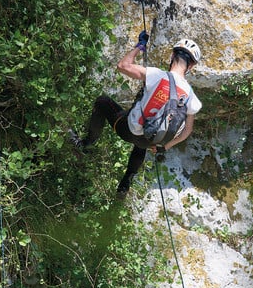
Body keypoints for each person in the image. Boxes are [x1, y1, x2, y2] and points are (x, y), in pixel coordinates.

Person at [69, 32, 202, 197]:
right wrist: (164, 147)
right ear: (191, 66)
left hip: (127, 130)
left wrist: (140, 46)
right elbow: (187, 130)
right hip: (151, 140)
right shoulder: (192, 98)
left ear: (173, 55)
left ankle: (86, 144)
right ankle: (125, 183)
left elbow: (122, 66)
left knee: (102, 102)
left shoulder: (157, 75)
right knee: (144, 139)